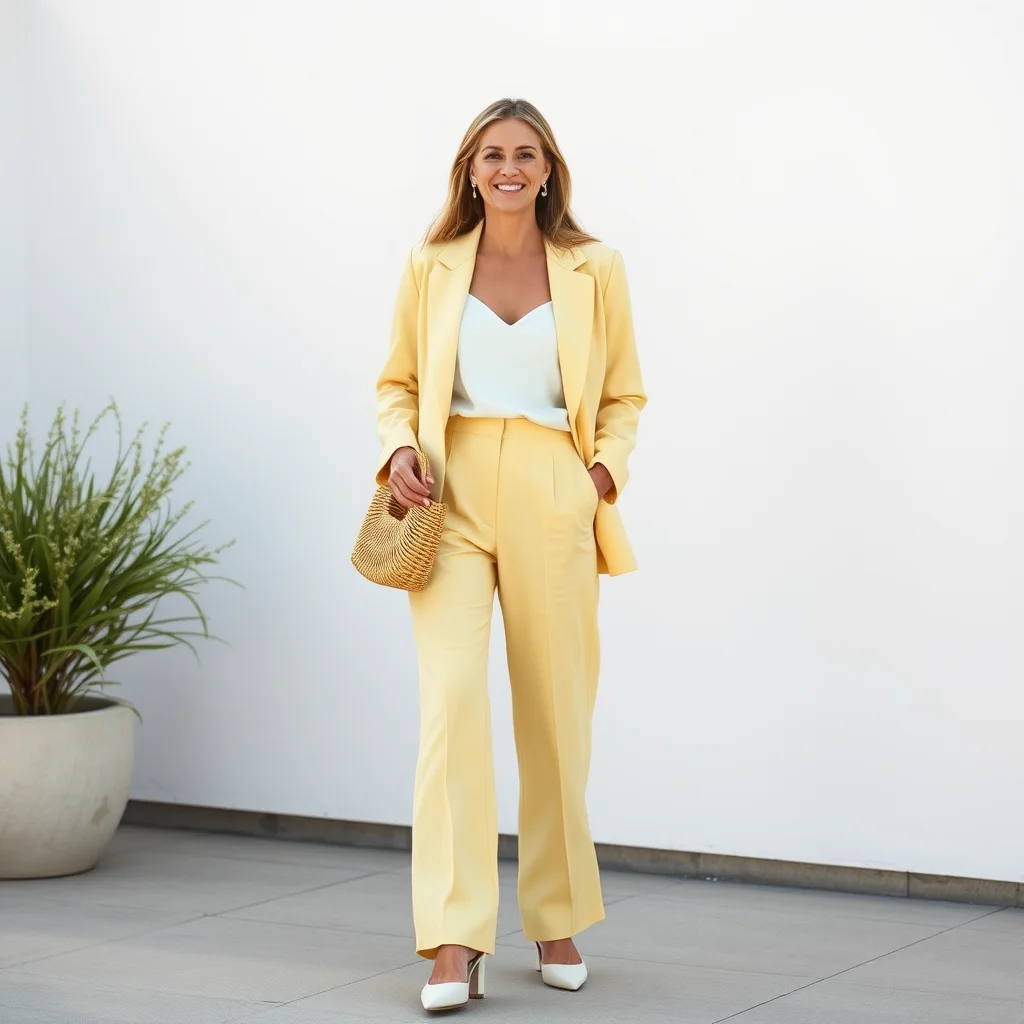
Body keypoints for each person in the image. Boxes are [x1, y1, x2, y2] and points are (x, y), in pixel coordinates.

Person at [373, 96, 646, 1012]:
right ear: (470, 168)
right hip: (446, 494)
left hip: (551, 488)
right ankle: (454, 940)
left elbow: (624, 394)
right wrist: (399, 448)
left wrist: (597, 477)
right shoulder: (432, 264)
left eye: (526, 153)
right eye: (492, 153)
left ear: (549, 168)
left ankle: (557, 918)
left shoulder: (595, 266)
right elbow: (398, 382)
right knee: (452, 706)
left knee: (555, 711)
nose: (509, 167)